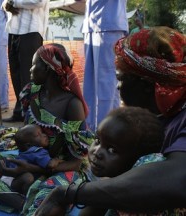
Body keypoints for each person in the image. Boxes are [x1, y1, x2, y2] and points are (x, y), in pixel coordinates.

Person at [35, 26, 186, 215]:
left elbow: (177, 179)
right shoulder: (156, 116)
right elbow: (111, 188)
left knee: (145, 166)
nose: (117, 86)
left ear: (147, 86)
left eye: (121, 79)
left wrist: (70, 193)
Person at [0, 43, 93, 215]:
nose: (30, 69)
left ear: (48, 69)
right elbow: (25, 138)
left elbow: (77, 163)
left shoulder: (72, 105)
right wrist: (23, 163)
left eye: (34, 64)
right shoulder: (31, 93)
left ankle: (7, 195)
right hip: (27, 162)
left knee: (51, 197)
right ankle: (19, 202)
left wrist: (30, 169)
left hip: (61, 169)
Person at [81, 106, 164, 215]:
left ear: (138, 159)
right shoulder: (104, 190)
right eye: (97, 141)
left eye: (112, 150)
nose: (97, 152)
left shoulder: (138, 202)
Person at [82, 0, 128, 131]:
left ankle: (106, 130)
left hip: (108, 23)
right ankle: (90, 129)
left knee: (106, 83)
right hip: (90, 24)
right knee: (90, 84)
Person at [2, 0, 49, 122]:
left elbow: (39, 2)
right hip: (13, 29)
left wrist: (14, 3)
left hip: (31, 31)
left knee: (29, 75)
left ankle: (31, 114)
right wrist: (6, 5)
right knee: (15, 73)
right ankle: (20, 111)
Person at [1, 124, 63, 195]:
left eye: (42, 132)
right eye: (38, 135)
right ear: (29, 145)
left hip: (8, 177)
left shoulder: (26, 151)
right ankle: (26, 197)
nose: (44, 135)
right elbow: (51, 165)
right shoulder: (37, 151)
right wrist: (57, 160)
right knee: (28, 178)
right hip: (11, 181)